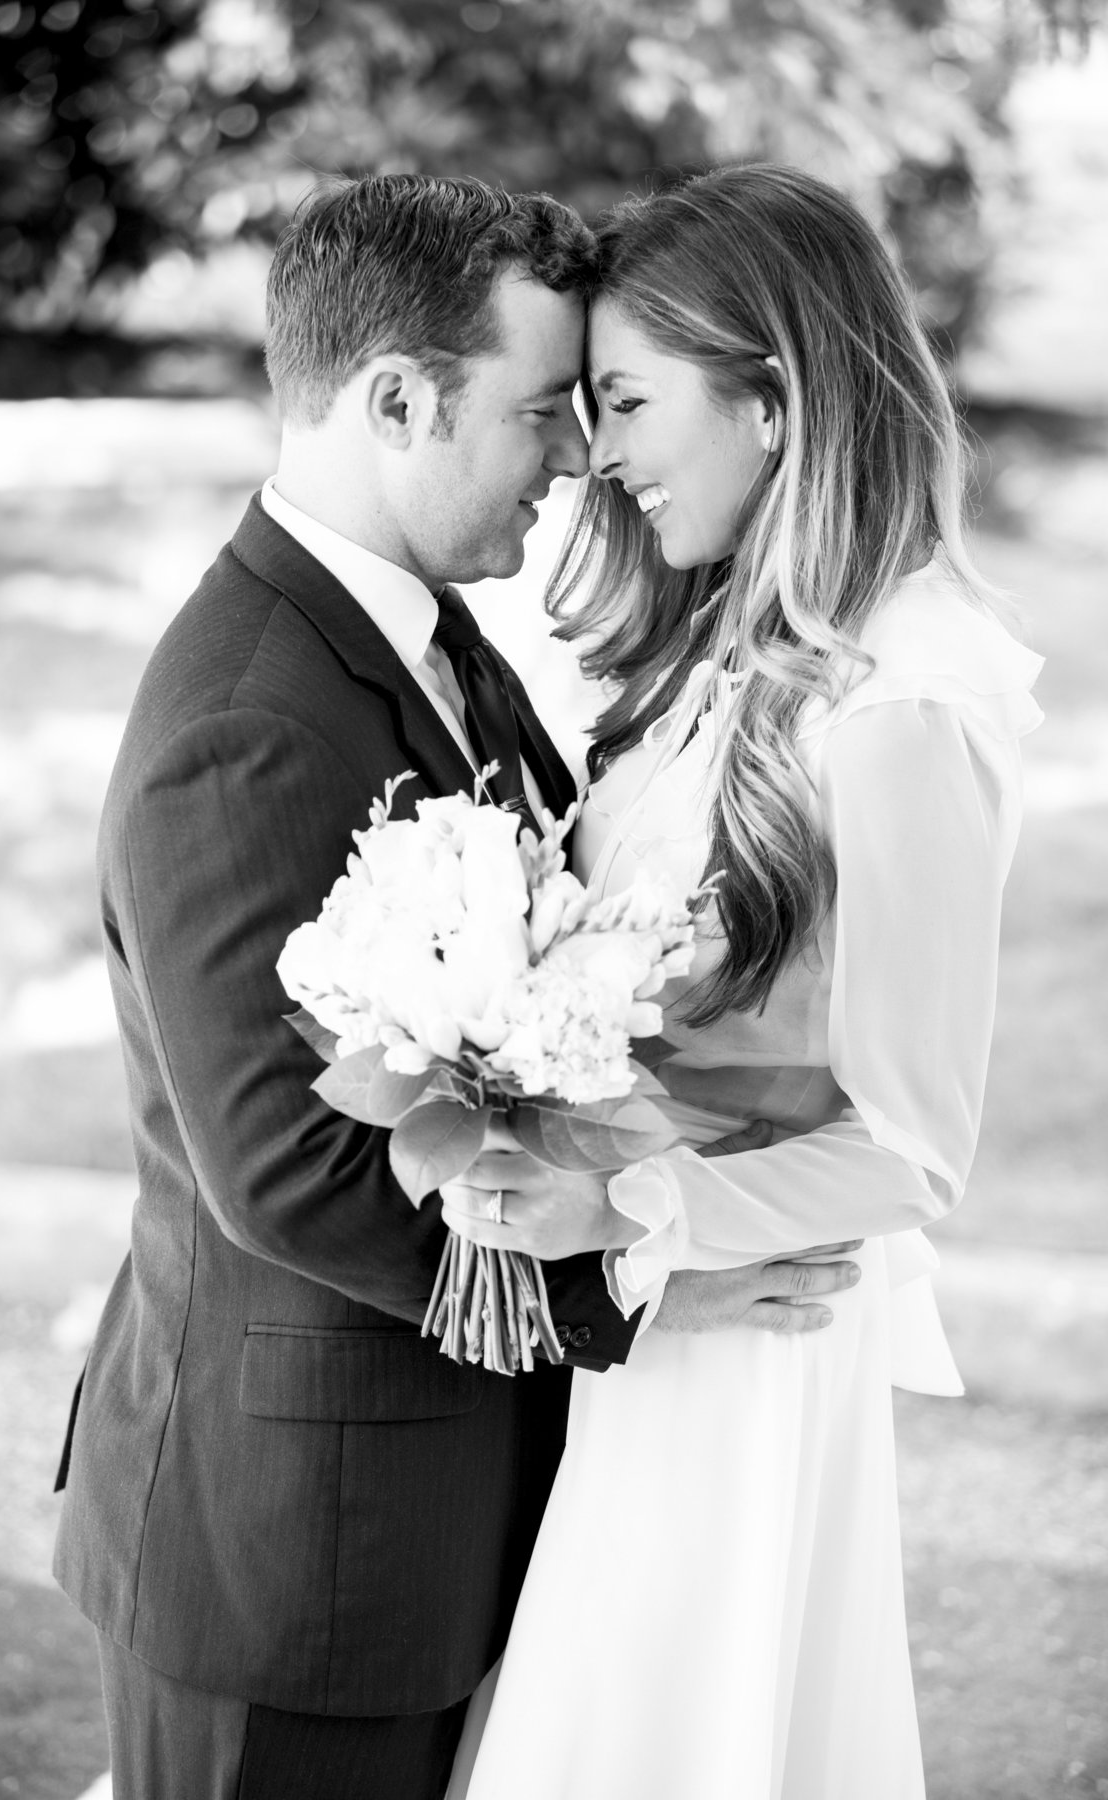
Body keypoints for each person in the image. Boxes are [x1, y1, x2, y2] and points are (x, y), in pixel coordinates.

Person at [51, 173, 860, 1800]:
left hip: (427, 1517)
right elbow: (290, 1172)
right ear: (398, 400)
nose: (576, 460)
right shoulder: (248, 721)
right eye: (542, 408)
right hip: (296, 1555)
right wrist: (631, 1290)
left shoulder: (429, 631)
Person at [440, 164, 1043, 1800]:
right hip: (643, 1321)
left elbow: (915, 1148)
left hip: (744, 1343)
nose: (603, 455)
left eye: (628, 400)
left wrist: (634, 1228)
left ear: (771, 395)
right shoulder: (722, 643)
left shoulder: (910, 696)